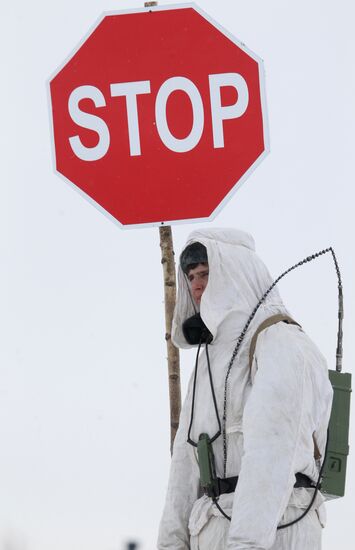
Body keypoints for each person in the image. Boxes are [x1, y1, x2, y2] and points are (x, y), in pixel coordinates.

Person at [157, 227, 333, 550]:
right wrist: (171, 544)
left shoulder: (281, 343)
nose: (196, 286)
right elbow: (185, 465)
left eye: (206, 273)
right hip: (213, 536)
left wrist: (246, 545)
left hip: (277, 536)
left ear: (234, 272)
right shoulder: (207, 364)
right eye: (191, 276)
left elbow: (272, 451)